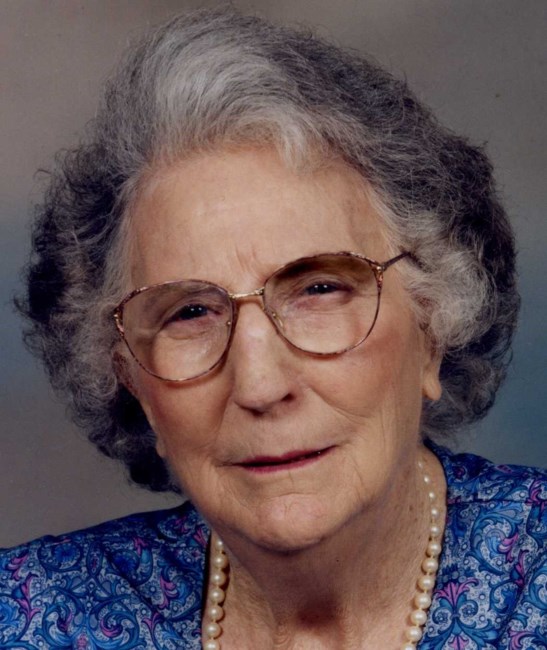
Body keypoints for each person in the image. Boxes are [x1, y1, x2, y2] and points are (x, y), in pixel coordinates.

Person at [0, 8, 545, 650]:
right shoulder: (31, 615)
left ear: (433, 327)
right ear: (133, 384)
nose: (260, 385)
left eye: (319, 289)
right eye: (189, 313)